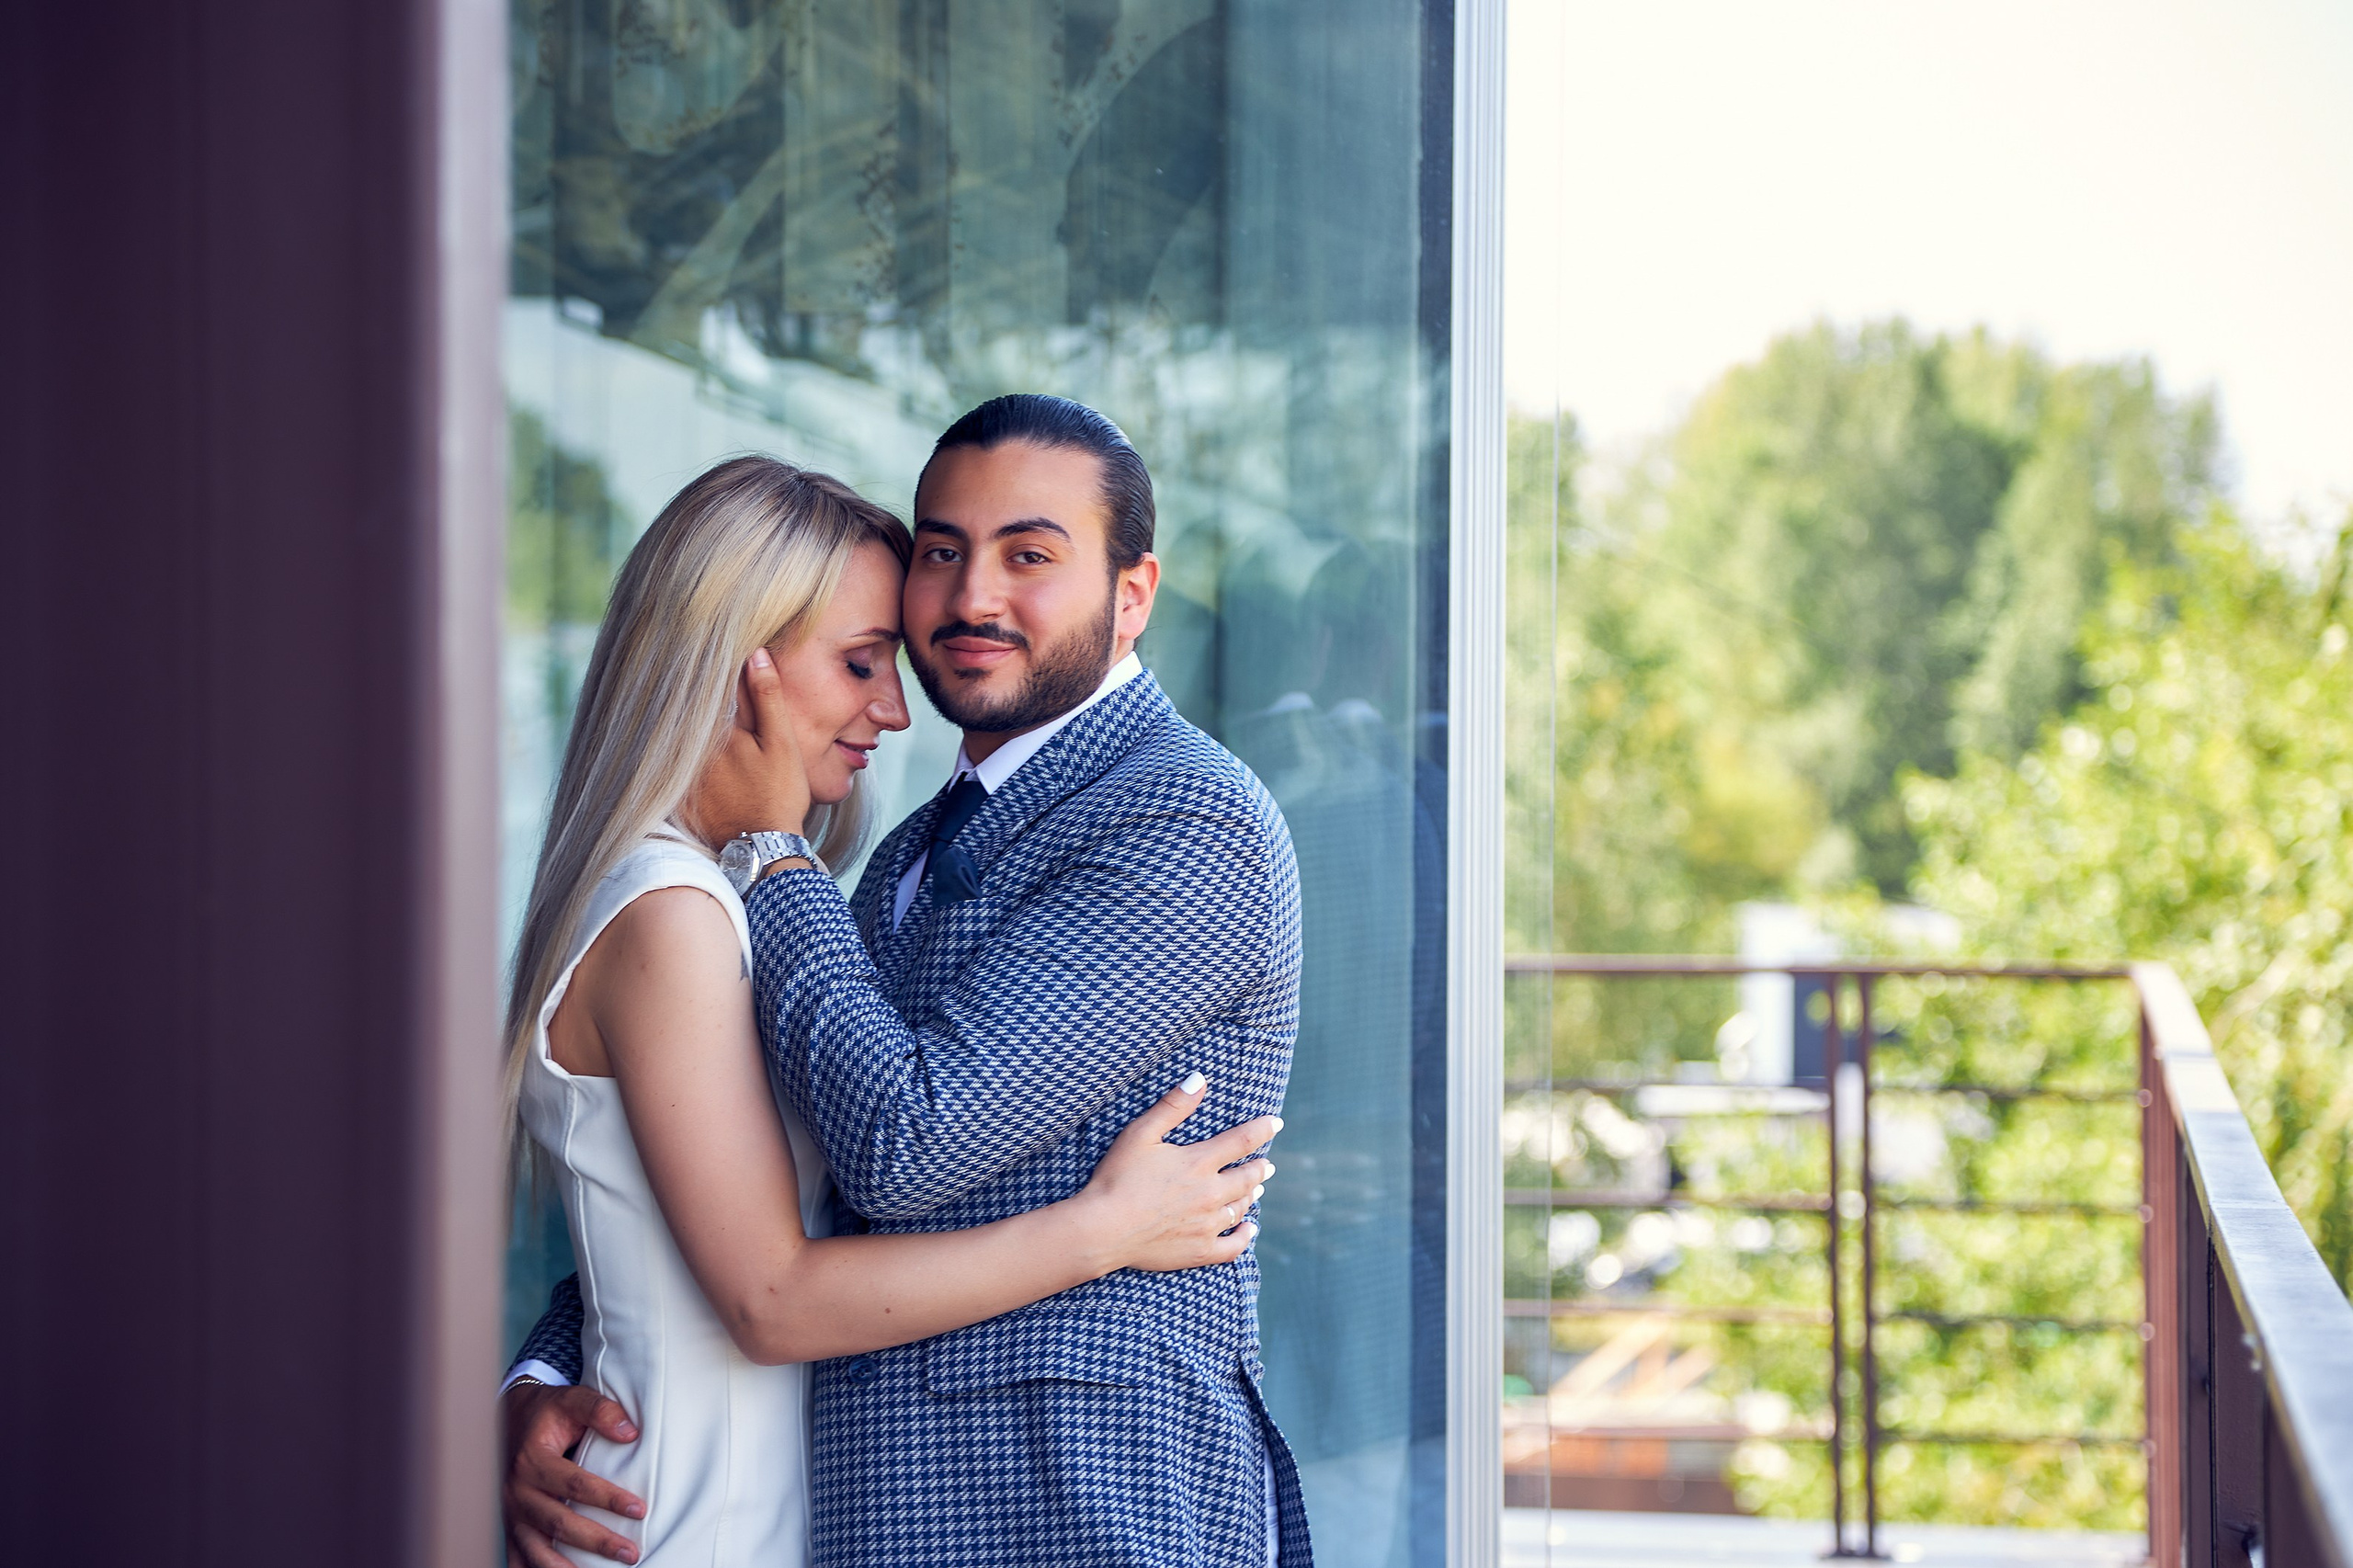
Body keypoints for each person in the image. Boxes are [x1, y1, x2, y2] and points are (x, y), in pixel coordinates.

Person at [504, 396, 1313, 1567]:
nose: (974, 595)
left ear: (1133, 593)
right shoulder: (892, 857)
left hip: (1076, 1511)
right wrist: (543, 1373)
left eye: (1029, 554)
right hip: (831, 1516)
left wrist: (775, 849)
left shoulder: (1184, 820)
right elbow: (748, 1201)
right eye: (943, 551)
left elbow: (906, 1143)